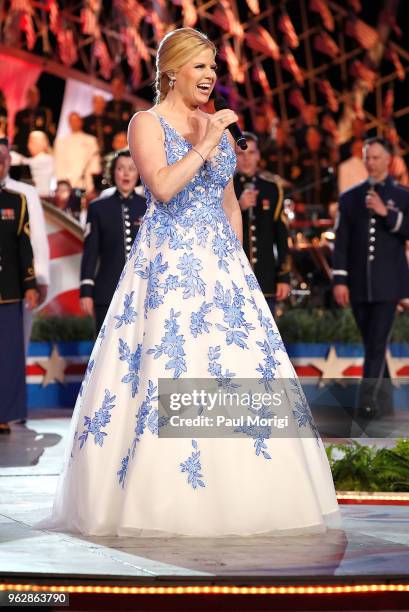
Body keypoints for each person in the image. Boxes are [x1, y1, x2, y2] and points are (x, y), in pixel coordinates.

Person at [38, 28, 339, 537]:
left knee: (240, 369)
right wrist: (205, 143)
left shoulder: (213, 124)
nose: (209, 77)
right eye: (200, 67)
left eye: (213, 68)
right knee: (166, 365)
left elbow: (226, 201)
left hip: (222, 268)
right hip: (169, 266)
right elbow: (161, 185)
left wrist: (242, 262)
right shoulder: (146, 122)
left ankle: (251, 495)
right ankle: (159, 502)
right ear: (173, 70)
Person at [333, 137, 409, 417]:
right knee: (372, 343)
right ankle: (385, 401)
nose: (370, 162)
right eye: (367, 157)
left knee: (377, 343)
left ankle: (365, 404)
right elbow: (341, 242)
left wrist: (386, 213)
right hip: (359, 284)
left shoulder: (402, 196)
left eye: (376, 157)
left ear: (388, 160)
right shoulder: (350, 197)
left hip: (389, 284)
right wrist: (340, 280)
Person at [80, 150, 147, 335]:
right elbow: (90, 251)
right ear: (113, 172)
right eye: (120, 169)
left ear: (139, 173)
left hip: (141, 289)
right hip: (106, 291)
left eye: (131, 169)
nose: (126, 174)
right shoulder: (97, 208)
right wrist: (86, 289)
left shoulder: (148, 206)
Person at [0, 144, 38, 433]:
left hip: (9, 290)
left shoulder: (17, 200)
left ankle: (5, 414)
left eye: (3, 161)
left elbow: (25, 246)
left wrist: (30, 284)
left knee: (9, 356)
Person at [234, 132, 291, 313]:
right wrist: (238, 207)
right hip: (235, 276)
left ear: (258, 155)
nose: (246, 159)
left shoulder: (272, 188)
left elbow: (281, 235)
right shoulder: (225, 187)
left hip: (265, 278)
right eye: (241, 154)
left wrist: (284, 276)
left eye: (251, 153)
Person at [1, 138, 50, 350]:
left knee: (15, 348)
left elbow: (36, 239)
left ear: (10, 160)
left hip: (18, 283)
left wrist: (41, 278)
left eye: (3, 158)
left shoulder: (25, 193)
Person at [54, 112, 101, 194]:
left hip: (86, 180)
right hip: (67, 181)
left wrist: (93, 175)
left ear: (81, 122)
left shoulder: (90, 140)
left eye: (76, 120)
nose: (74, 123)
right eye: (72, 121)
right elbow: (58, 162)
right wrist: (62, 179)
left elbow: (95, 161)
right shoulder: (61, 141)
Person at [11, 130, 55, 196]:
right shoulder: (40, 159)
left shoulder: (46, 159)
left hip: (43, 197)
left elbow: (25, 162)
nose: (28, 146)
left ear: (39, 143)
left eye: (31, 142)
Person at [13, 86, 54, 156]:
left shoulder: (45, 113)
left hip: (40, 152)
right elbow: (16, 133)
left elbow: (49, 132)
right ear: (27, 97)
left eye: (35, 96)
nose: (33, 99)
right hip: (23, 151)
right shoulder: (20, 114)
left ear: (38, 97)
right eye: (30, 96)